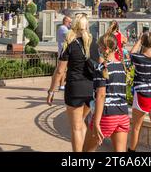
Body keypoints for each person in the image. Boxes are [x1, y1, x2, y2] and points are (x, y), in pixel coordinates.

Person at [47, 13, 99, 152]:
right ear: (86, 26)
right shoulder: (92, 43)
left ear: (74, 25)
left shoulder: (69, 44)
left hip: (74, 89)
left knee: (76, 128)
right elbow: (99, 66)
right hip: (90, 89)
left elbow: (60, 71)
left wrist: (52, 90)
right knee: (81, 123)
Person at [83, 33, 129, 152]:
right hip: (123, 114)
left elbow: (101, 95)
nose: (98, 49)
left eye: (100, 47)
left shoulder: (102, 68)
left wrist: (96, 122)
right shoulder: (122, 67)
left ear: (106, 49)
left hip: (106, 115)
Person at [57, 16, 72, 91]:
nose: (70, 24)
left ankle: (62, 84)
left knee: (63, 69)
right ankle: (61, 85)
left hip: (64, 51)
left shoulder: (65, 28)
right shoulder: (63, 28)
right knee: (62, 69)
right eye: (69, 22)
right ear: (65, 21)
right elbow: (69, 37)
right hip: (63, 52)